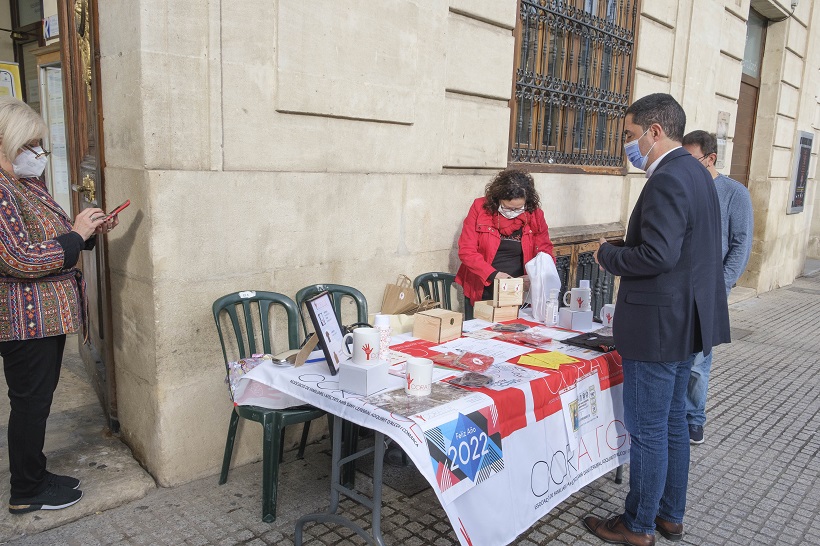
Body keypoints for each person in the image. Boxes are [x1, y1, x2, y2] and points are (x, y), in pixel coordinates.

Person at [585, 93, 730, 546]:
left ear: (654, 131)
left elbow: (658, 254)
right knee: (671, 424)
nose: (628, 145)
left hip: (660, 326)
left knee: (648, 428)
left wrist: (609, 254)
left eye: (630, 135)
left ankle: (639, 525)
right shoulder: (696, 172)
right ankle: (669, 515)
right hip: (685, 322)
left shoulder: (668, 177)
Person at [0, 97, 119, 514]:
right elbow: (18, 258)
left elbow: (56, 238)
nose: (37, 153)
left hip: (45, 318)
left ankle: (35, 473)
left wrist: (86, 231)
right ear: (6, 141)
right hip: (23, 321)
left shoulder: (25, 184)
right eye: (29, 143)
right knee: (30, 403)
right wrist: (75, 236)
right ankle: (26, 492)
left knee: (38, 401)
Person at [682, 130, 753, 445]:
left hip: (709, 290)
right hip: (679, 287)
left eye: (691, 159)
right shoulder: (684, 188)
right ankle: (677, 414)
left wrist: (720, 285)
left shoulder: (735, 193)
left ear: (710, 158)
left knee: (699, 360)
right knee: (679, 356)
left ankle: (694, 419)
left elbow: (741, 246)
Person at [455, 168, 554, 312]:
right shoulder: (480, 208)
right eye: (508, 208)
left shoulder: (535, 214)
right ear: (498, 199)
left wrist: (535, 276)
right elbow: (466, 251)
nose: (512, 213)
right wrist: (495, 275)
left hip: (520, 289)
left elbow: (546, 252)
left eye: (518, 209)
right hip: (484, 285)